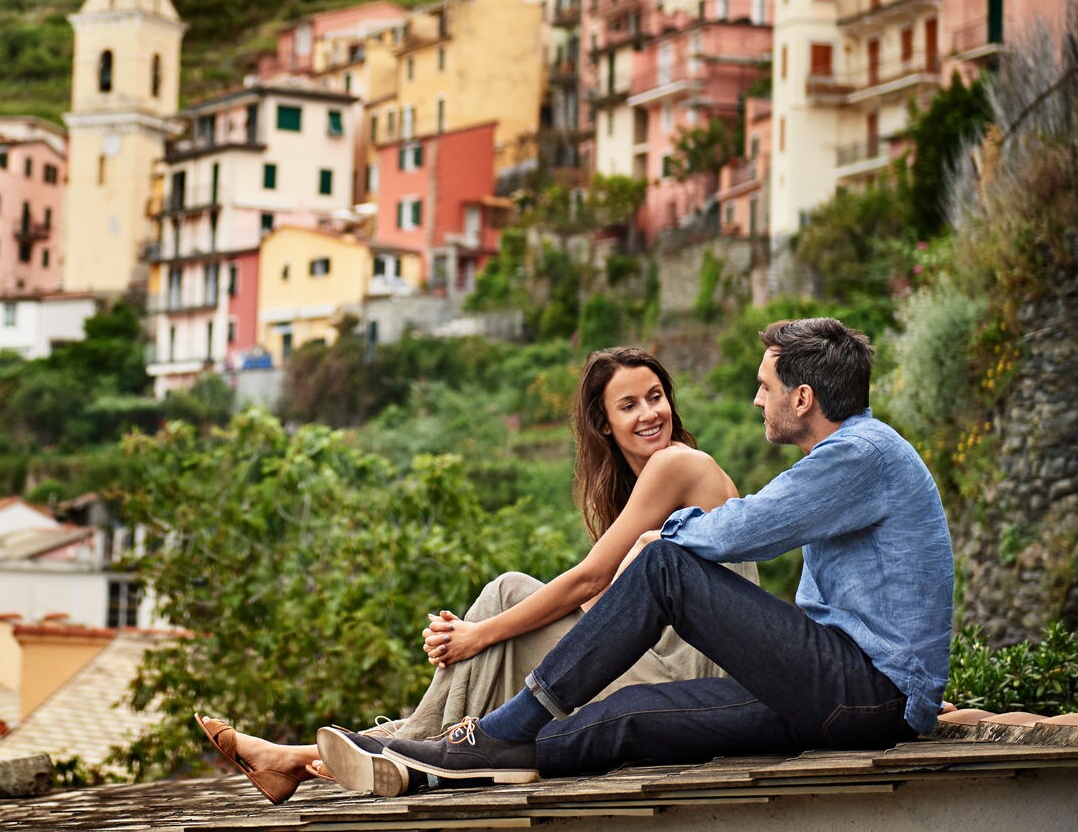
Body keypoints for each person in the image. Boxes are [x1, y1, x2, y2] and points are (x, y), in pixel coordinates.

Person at [375, 317, 954, 787]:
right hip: (837, 693)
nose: (757, 399)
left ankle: (498, 732)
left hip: (862, 691)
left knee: (664, 563)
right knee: (617, 722)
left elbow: (748, 528)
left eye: (765, 386)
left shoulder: (861, 454)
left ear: (802, 398)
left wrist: (661, 539)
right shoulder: (855, 455)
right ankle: (458, 764)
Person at [196, 346, 758, 802]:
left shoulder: (682, 464)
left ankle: (381, 752)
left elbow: (587, 585)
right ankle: (310, 759)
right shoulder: (632, 496)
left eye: (655, 397)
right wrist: (485, 637)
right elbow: (598, 612)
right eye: (629, 405)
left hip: (692, 688)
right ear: (604, 423)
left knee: (505, 599)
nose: (649, 414)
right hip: (649, 672)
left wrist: (476, 633)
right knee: (501, 632)